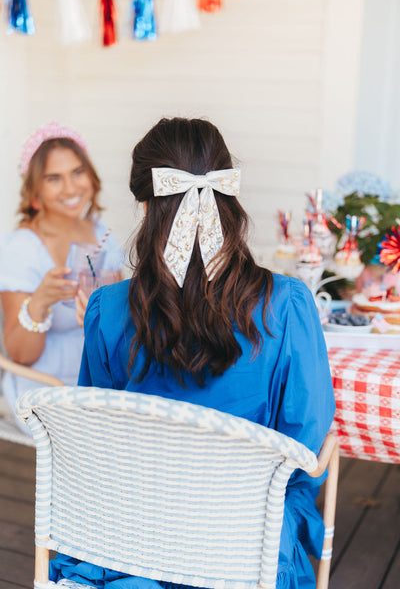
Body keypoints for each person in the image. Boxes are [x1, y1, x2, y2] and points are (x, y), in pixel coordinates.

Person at [49, 117, 335, 588]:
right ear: (227, 196)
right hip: (245, 545)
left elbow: (100, 434)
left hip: (131, 537)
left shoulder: (106, 310)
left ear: (145, 205)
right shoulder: (288, 305)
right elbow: (305, 442)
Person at [0, 122, 124, 432]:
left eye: (77, 173)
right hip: (45, 389)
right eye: (54, 178)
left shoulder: (100, 234)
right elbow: (20, 355)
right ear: (34, 189)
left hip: (99, 383)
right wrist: (40, 301)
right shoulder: (21, 248)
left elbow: (121, 325)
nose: (70, 189)